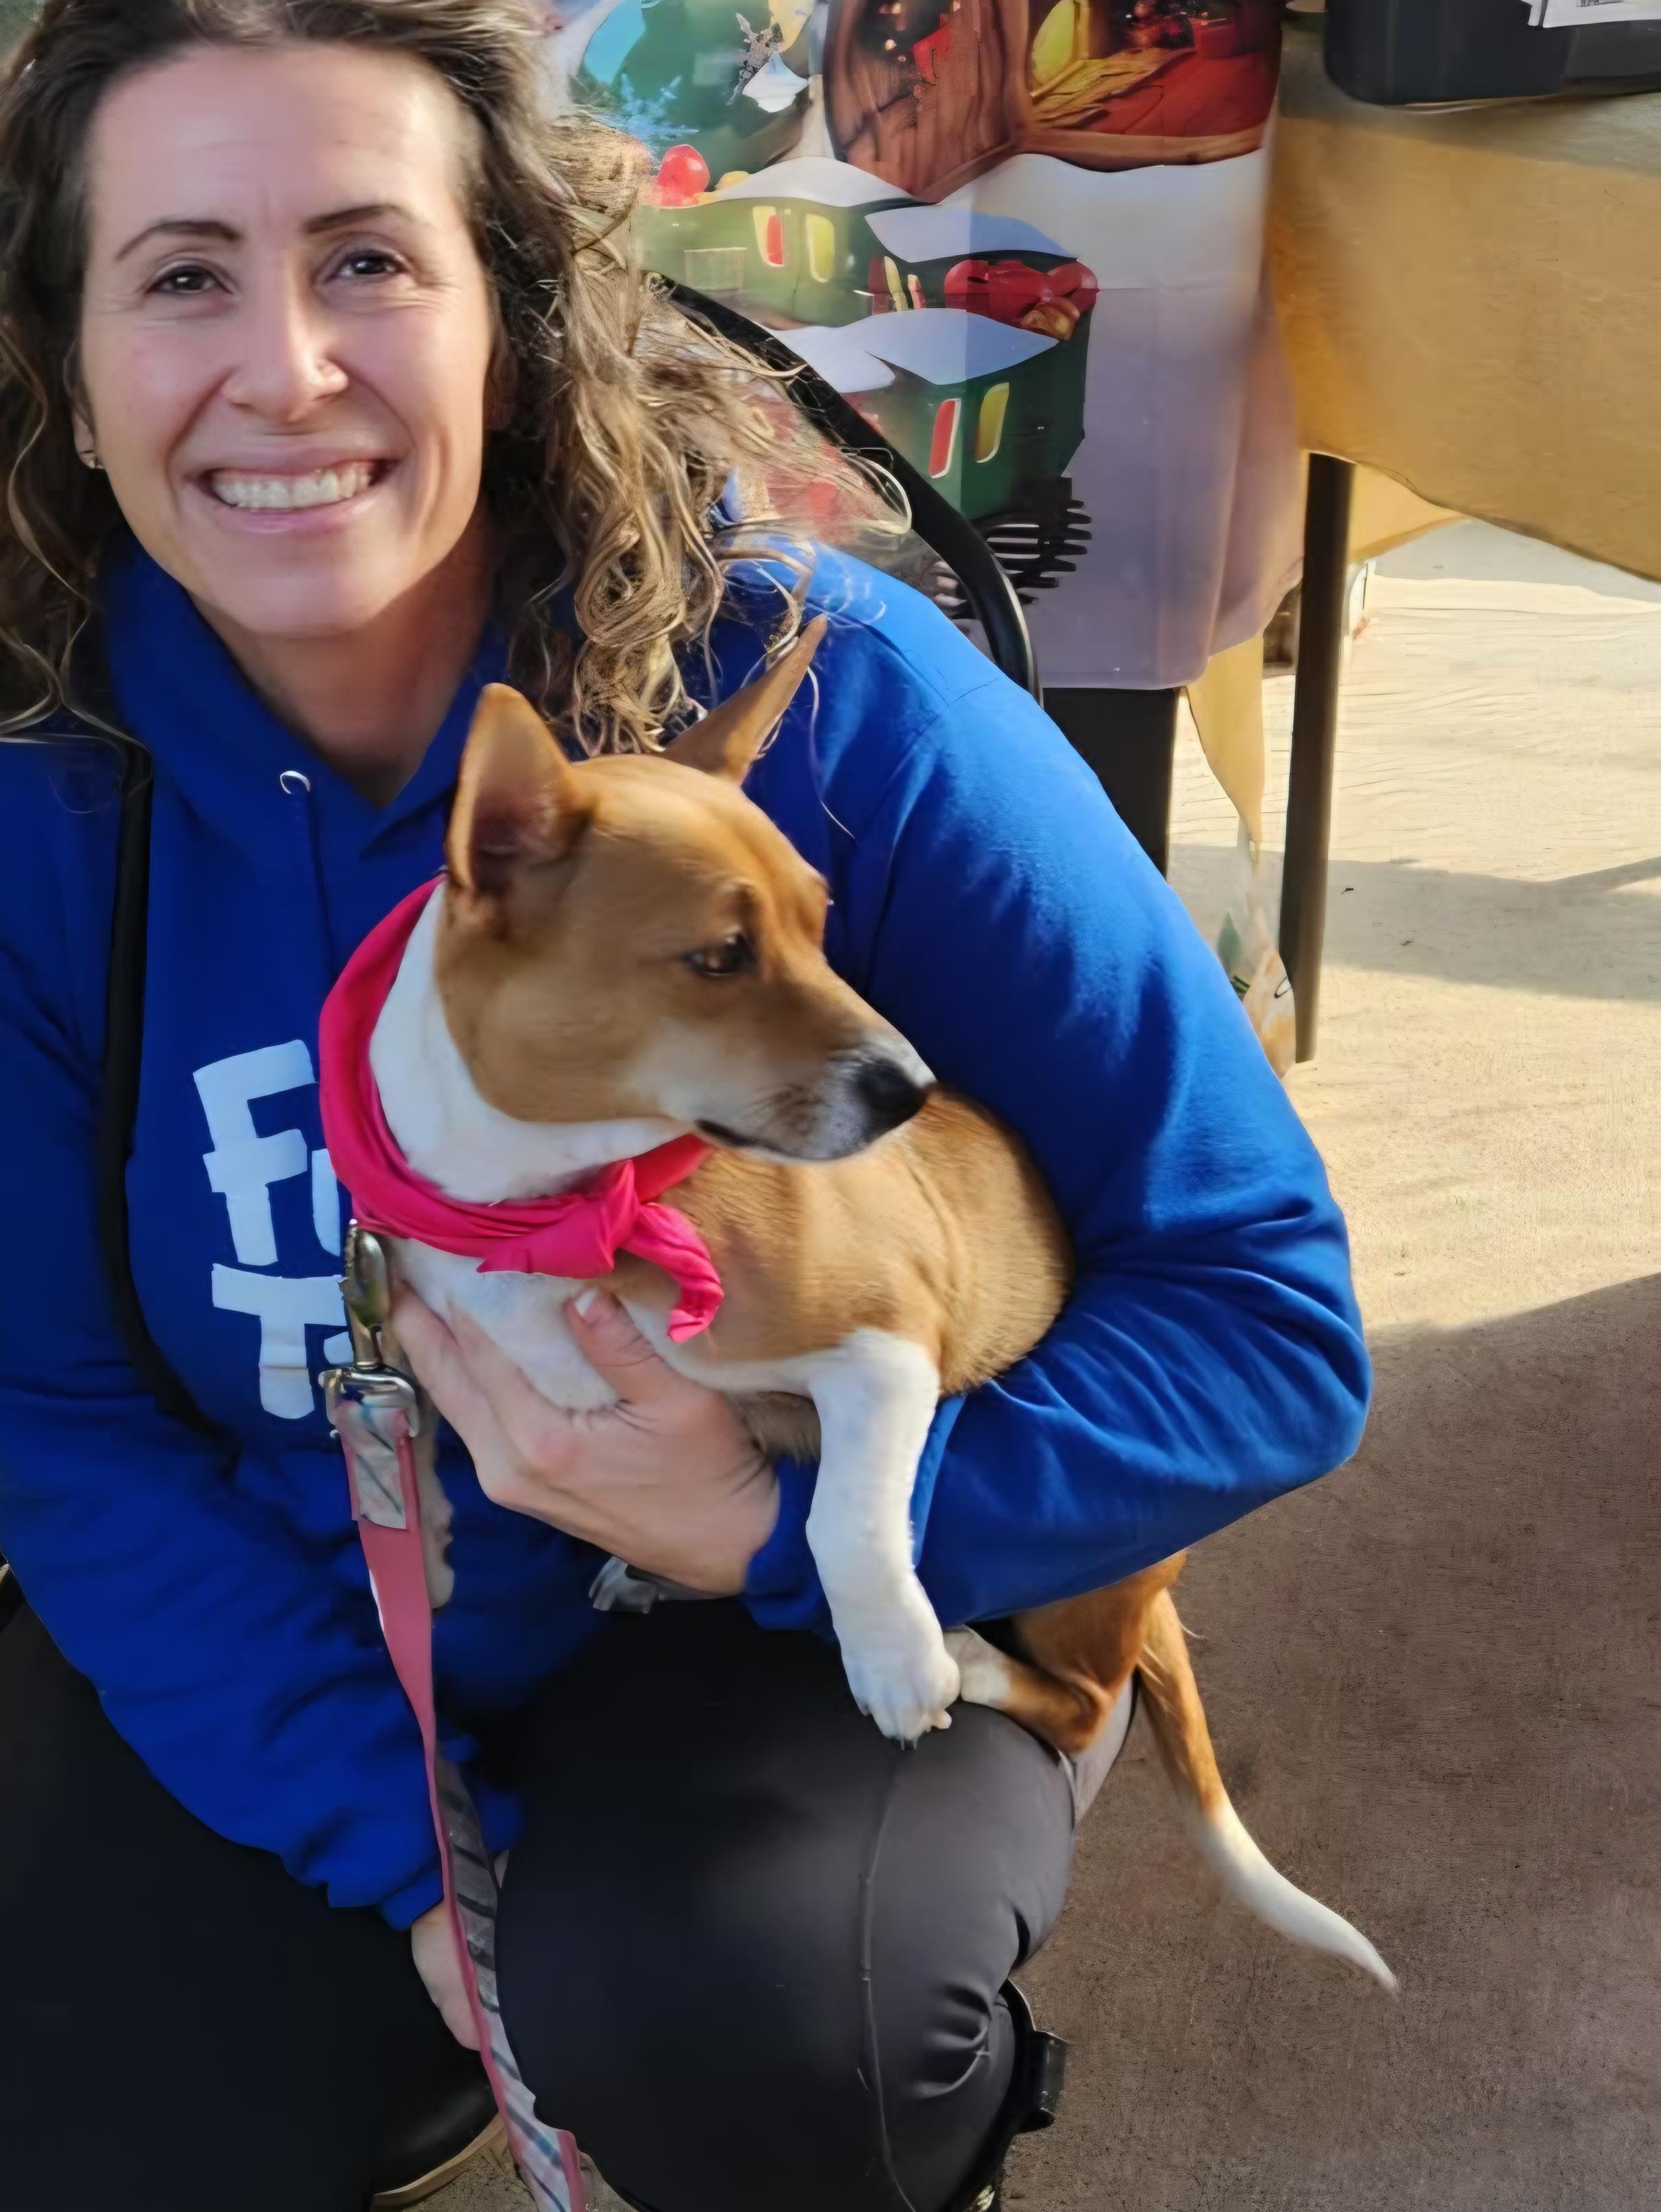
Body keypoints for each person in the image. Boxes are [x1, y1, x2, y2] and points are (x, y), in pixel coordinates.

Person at [0, 4, 1371, 2210]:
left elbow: (1268, 1319)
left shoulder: (837, 710)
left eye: (369, 259)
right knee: (85, 2087)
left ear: (513, 325)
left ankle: (879, 2010)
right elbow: (57, 1427)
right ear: (69, 368)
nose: (284, 366)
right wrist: (411, 1859)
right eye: (179, 275)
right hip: (310, 1608)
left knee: (766, 2026)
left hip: (776, 1619)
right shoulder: (40, 819)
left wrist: (795, 1532)